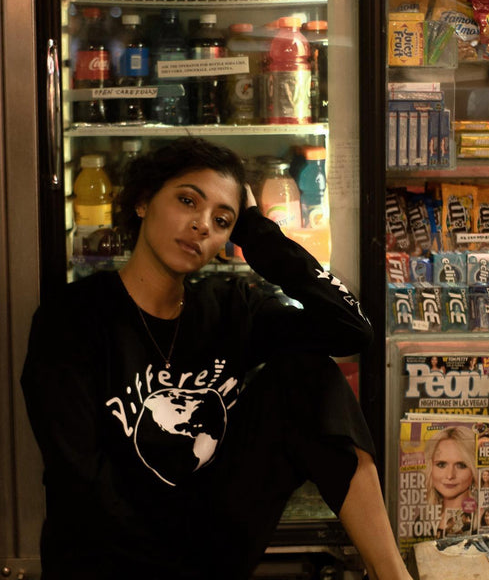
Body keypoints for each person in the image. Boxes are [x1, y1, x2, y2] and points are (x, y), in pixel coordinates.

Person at [21, 137, 411, 580]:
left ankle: (391, 574)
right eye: (187, 201)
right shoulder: (73, 317)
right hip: (106, 563)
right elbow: (79, 480)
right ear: (144, 201)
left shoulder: (229, 307)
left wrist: (258, 233)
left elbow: (351, 329)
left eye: (222, 220)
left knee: (308, 374)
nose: (202, 225)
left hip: (208, 551)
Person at [424, 425, 478, 537]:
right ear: (430, 468)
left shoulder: (483, 520)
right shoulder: (422, 520)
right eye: (441, 464)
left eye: (461, 465)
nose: (450, 476)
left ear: (474, 471)